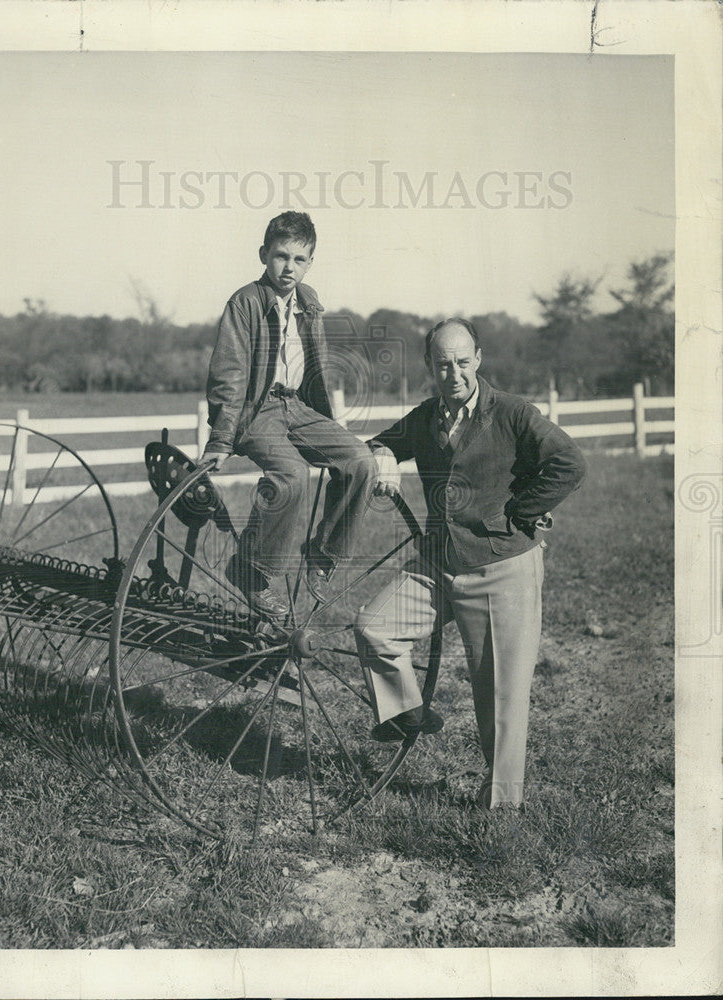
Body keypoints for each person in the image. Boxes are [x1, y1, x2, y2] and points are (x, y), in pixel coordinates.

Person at [354, 318, 586, 808]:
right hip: (437, 565)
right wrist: (384, 457)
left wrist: (521, 511)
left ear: (478, 359)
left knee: (499, 698)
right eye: (443, 364)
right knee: (374, 627)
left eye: (462, 362)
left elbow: (569, 461)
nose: (453, 373)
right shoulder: (424, 418)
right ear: (429, 366)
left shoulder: (514, 413)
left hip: (503, 569)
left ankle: (501, 808)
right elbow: (380, 444)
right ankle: (407, 713)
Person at [203, 211, 376, 618]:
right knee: (292, 475)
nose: (289, 268)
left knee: (361, 462)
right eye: (281, 256)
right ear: (264, 254)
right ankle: (253, 571)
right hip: (256, 409)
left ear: (310, 262)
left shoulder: (310, 302)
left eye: (300, 260)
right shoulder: (244, 302)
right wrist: (221, 440)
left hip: (297, 406)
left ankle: (323, 556)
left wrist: (324, 418)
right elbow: (228, 375)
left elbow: (314, 365)